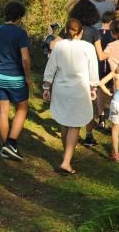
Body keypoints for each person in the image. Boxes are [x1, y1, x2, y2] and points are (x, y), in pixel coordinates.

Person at [42, 18, 99, 175]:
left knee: (64, 121)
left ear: (66, 31)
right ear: (81, 32)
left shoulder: (59, 46)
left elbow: (51, 67)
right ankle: (66, 161)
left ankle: (66, 153)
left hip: (61, 89)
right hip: (80, 89)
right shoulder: (88, 47)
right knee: (74, 125)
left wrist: (46, 86)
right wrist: (94, 86)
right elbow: (93, 68)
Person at [0, 1, 32, 161]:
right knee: (22, 109)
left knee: (3, 110)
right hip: (16, 78)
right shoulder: (20, 33)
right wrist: (28, 77)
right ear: (20, 17)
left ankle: (5, 147)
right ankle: (11, 144)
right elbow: (25, 58)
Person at [96, 11, 116, 130]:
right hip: (110, 65)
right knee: (114, 89)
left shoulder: (96, 33)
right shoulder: (113, 35)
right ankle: (115, 117)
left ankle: (101, 117)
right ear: (111, 22)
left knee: (100, 90)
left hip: (98, 65)